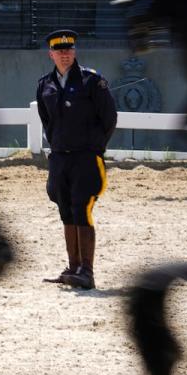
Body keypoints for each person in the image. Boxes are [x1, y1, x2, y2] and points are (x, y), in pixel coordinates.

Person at [36, 30, 117, 290]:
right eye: (59, 50)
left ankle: (87, 271)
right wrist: (57, 144)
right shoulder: (44, 85)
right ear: (51, 54)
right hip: (60, 158)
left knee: (82, 209)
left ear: (75, 52)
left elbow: (109, 118)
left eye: (69, 49)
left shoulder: (92, 81)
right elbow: (47, 120)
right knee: (65, 209)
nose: (64, 54)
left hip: (86, 158)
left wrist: (95, 148)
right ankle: (73, 268)